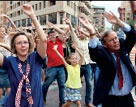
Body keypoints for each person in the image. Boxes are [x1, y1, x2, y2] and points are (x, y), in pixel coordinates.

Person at [0, 4, 47, 107]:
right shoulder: (10, 61)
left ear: (29, 44)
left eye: (25, 42)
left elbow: (43, 40)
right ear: (14, 46)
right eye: (19, 43)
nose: (23, 45)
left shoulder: (36, 58)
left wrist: (33, 16)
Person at [63, 17, 94, 107]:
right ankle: (69, 99)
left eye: (82, 33)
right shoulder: (76, 41)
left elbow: (91, 35)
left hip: (87, 65)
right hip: (77, 66)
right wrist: (69, 24)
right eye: (80, 33)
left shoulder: (88, 40)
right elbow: (72, 33)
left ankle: (88, 102)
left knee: (89, 83)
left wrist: (85, 28)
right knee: (71, 82)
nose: (81, 34)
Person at [53, 43, 83, 107]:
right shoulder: (68, 67)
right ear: (69, 60)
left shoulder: (78, 66)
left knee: (74, 103)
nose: (74, 60)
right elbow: (62, 58)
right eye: (72, 59)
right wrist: (55, 50)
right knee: (71, 104)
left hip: (75, 88)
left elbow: (82, 56)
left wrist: (76, 48)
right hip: (69, 88)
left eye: (75, 58)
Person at [42, 28, 66, 107]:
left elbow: (63, 33)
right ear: (48, 37)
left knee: (62, 85)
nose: (52, 36)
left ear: (56, 35)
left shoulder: (59, 41)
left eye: (54, 35)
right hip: (51, 68)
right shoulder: (47, 43)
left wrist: (55, 27)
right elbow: (42, 39)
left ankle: (62, 103)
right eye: (50, 35)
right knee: (46, 84)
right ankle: (43, 98)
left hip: (61, 67)